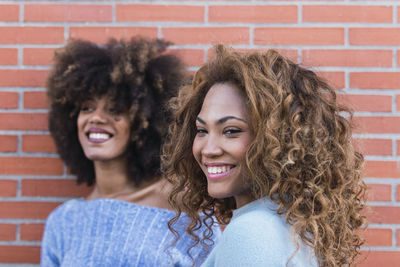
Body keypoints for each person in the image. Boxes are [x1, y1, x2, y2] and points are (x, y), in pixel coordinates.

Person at [163, 45, 366, 267]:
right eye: (202, 130)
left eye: (231, 131)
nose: (208, 149)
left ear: (279, 139)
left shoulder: (252, 232)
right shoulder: (290, 222)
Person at [41, 37, 220, 266]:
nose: (96, 117)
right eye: (87, 108)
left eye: (115, 109)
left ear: (144, 122)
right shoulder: (64, 221)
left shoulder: (180, 206)